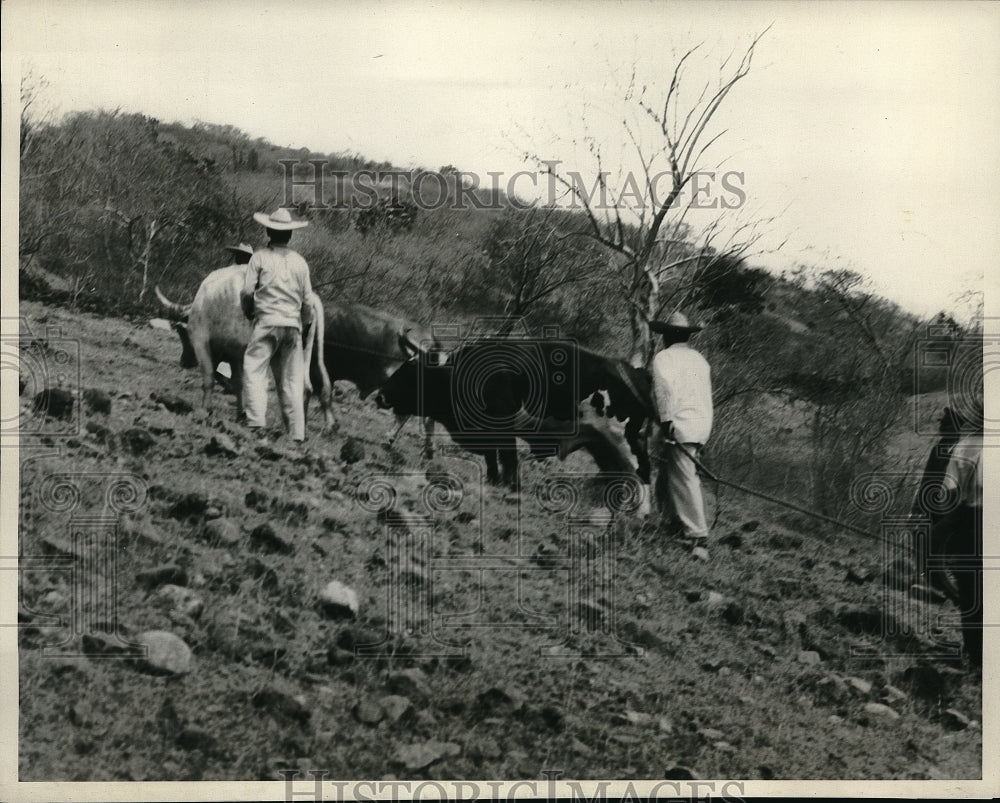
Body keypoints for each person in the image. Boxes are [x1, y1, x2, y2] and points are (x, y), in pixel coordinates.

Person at [240, 207, 313, 443]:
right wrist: (302, 325)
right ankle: (297, 434)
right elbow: (308, 303)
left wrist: (249, 312)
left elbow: (247, 291)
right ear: (290, 235)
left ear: (268, 231)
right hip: (292, 326)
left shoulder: (259, 257)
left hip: (267, 321)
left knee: (254, 369)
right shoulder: (300, 262)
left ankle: (256, 423)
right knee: (292, 379)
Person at [649, 312, 713, 561]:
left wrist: (666, 424)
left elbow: (664, 393)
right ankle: (670, 521)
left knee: (685, 478)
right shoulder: (700, 360)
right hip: (700, 425)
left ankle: (699, 537)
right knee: (668, 475)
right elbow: (705, 397)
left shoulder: (664, 358)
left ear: (667, 336)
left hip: (679, 424)